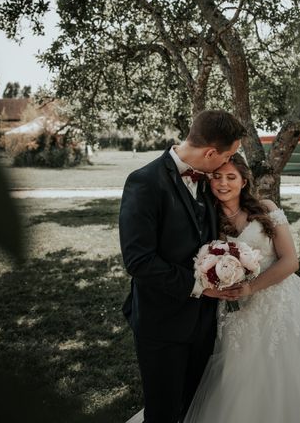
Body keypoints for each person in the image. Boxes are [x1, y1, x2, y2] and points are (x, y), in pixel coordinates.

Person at [183, 153, 300, 423]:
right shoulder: (207, 219)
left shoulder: (265, 208)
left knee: (298, 369)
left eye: (231, 177)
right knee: (242, 377)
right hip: (237, 312)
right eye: (217, 177)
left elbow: (290, 261)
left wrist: (250, 287)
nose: (223, 183)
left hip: (283, 301)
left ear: (243, 181)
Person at [119, 109, 247, 423]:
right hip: (161, 323)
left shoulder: (208, 180)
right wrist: (202, 286)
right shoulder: (144, 182)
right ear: (211, 152)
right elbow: (139, 261)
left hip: (203, 323)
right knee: (162, 413)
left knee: (195, 409)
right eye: (228, 155)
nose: (226, 164)